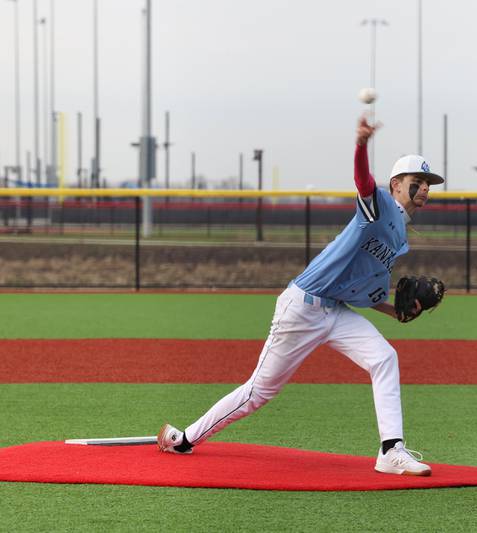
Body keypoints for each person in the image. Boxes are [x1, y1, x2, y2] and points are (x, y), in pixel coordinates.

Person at [157, 115, 445, 476]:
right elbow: (362, 180)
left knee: (384, 358)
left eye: (428, 184)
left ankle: (391, 451)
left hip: (336, 312)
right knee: (258, 392)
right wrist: (361, 144)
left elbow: (364, 294)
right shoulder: (380, 206)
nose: (424, 189)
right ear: (396, 184)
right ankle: (184, 439)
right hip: (302, 307)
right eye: (417, 182)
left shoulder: (400, 237)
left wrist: (395, 312)